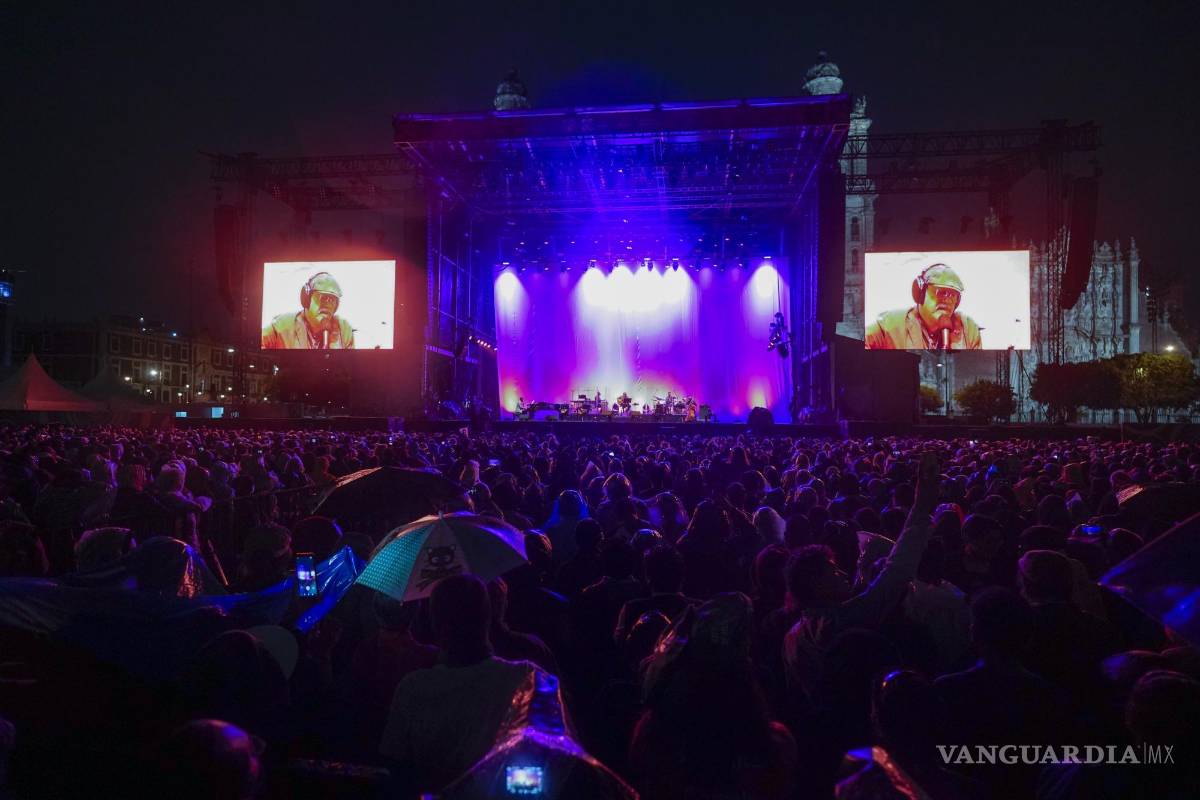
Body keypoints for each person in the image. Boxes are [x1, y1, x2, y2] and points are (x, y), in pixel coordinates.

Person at [379, 574, 538, 794]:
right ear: (488, 615)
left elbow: (394, 767)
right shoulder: (525, 678)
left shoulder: (413, 689)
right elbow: (545, 761)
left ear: (435, 622)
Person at [865, 263, 982, 350]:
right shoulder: (888, 326)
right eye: (940, 291)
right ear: (919, 292)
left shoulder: (968, 330)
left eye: (953, 295)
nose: (947, 299)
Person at [261, 271, 355, 349]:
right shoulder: (281, 326)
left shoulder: (344, 330)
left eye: (332, 299)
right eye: (322, 297)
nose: (327, 305)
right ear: (306, 298)